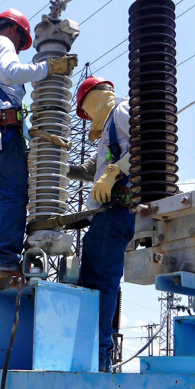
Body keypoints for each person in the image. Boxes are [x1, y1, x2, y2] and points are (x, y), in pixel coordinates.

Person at [0, 8, 77, 283]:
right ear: (15, 30)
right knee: (12, 197)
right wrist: (49, 67)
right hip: (0, 132)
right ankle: (3, 261)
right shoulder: (0, 42)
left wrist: (31, 133)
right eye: (21, 43)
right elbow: (12, 72)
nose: (18, 49)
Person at [67, 76, 135, 372]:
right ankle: (98, 356)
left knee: (97, 285)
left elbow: (148, 143)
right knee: (98, 281)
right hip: (112, 212)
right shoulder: (109, 129)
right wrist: (61, 166)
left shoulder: (121, 111)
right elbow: (91, 170)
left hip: (116, 209)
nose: (88, 118)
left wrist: (115, 172)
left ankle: (98, 360)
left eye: (85, 111)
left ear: (92, 98)